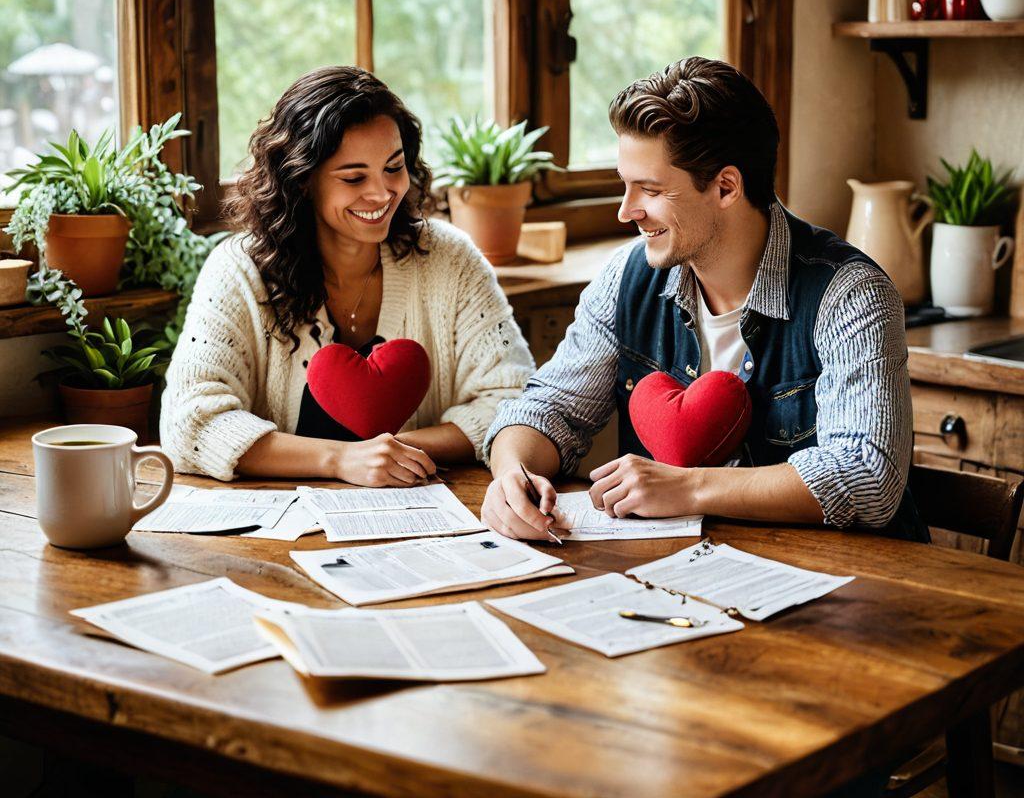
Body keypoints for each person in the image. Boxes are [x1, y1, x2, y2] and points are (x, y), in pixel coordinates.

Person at [481, 57, 927, 544]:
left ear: (726, 187)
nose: (626, 210)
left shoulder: (850, 294)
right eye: (624, 185)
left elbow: (867, 478)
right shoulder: (626, 277)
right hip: (687, 578)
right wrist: (512, 474)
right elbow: (549, 409)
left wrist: (690, 488)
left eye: (649, 190)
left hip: (849, 589)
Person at [160, 66, 534, 485]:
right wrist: (339, 460)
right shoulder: (239, 271)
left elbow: (514, 402)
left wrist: (392, 455)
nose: (382, 193)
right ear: (301, 180)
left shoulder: (451, 259)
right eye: (354, 177)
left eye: (394, 168)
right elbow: (188, 421)